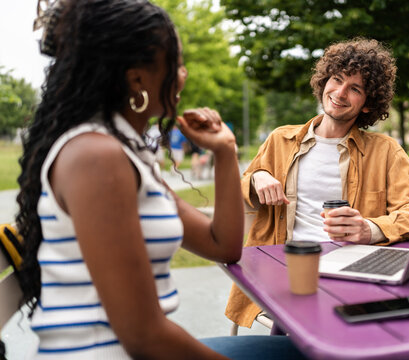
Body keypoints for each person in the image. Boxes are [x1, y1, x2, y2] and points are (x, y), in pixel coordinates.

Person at [15, 1, 306, 359]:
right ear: (137, 78)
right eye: (177, 63)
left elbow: (222, 245)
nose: (183, 74)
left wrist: (225, 152)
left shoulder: (126, 154)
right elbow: (144, 337)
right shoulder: (97, 158)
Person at [226, 37, 409, 328]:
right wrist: (257, 178)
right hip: (286, 272)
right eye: (337, 79)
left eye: (355, 89)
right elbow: (242, 187)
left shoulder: (385, 151)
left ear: (368, 104)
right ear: (324, 81)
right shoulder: (280, 139)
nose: (340, 92)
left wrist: (369, 229)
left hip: (353, 275)